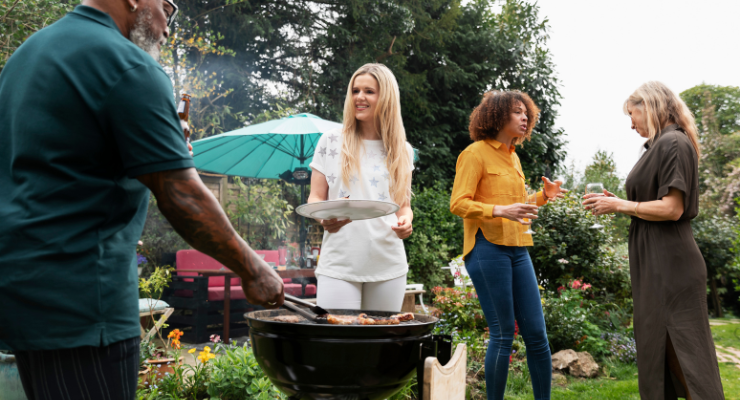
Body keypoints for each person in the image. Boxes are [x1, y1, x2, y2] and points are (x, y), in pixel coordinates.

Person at [0, 1, 283, 399]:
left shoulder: (26, 57)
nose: (168, 23)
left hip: (22, 295)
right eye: (167, 6)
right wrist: (254, 269)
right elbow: (181, 193)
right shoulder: (130, 66)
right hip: (84, 304)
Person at [582, 81, 724, 399]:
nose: (631, 124)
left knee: (688, 362)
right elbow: (652, 204)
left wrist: (619, 205)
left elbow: (672, 208)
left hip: (670, 266)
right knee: (662, 358)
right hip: (655, 264)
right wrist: (619, 201)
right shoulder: (658, 146)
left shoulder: (674, 143)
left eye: (632, 115)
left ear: (651, 106)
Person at [450, 90, 566, 400]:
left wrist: (543, 197)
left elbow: (516, 206)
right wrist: (500, 211)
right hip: (487, 248)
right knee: (502, 336)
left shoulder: (513, 157)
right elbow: (459, 203)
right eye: (518, 112)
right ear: (498, 116)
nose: (525, 117)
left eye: (527, 113)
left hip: (518, 248)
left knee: (538, 337)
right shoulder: (474, 153)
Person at [307, 63, 414, 312]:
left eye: (369, 91)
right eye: (355, 91)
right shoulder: (331, 141)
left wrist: (406, 222)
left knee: (380, 346)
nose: (359, 97)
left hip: (388, 262)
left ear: (386, 97)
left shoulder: (402, 150)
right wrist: (324, 218)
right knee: (337, 344)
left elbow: (404, 206)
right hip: (339, 263)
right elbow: (315, 198)